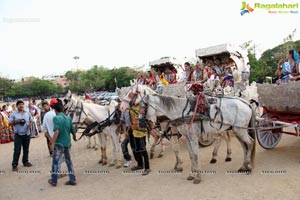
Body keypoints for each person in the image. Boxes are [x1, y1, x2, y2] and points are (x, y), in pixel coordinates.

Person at [48, 101, 77, 187]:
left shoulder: (56, 118)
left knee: (56, 162)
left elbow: (56, 131)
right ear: (63, 109)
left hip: (59, 144)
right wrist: (75, 138)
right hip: (67, 143)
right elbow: (73, 131)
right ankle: (72, 179)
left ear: (54, 110)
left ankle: (54, 180)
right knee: (68, 161)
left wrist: (52, 142)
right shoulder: (68, 118)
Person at [9, 100, 33, 171]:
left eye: (22, 104)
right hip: (18, 134)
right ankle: (14, 164)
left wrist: (30, 125)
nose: (21, 106)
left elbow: (31, 120)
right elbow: (9, 123)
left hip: (27, 133)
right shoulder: (13, 114)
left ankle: (25, 162)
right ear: (17, 106)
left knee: (26, 149)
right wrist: (17, 121)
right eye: (19, 104)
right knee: (17, 150)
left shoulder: (27, 113)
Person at [129, 103, 151, 175]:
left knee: (143, 150)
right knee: (137, 149)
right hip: (135, 132)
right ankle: (140, 164)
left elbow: (144, 119)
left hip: (141, 133)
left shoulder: (142, 107)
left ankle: (147, 168)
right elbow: (131, 120)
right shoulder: (131, 107)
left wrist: (141, 127)